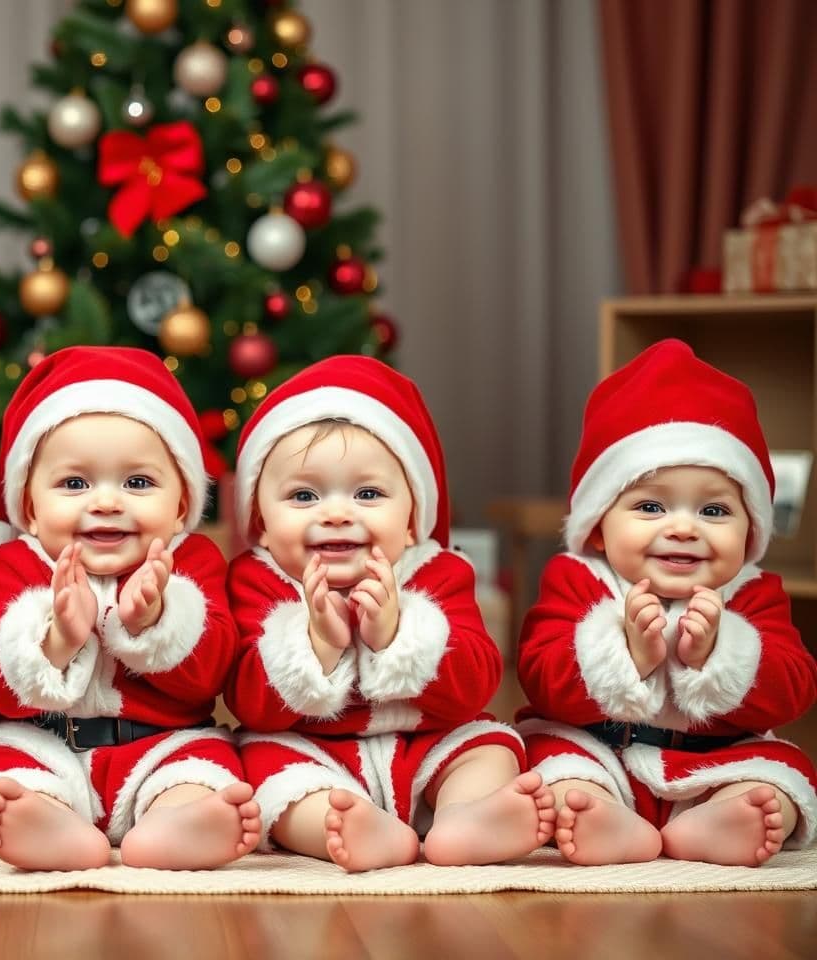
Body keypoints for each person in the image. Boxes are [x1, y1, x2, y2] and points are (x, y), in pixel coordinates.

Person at [227, 355, 555, 871]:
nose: (336, 513)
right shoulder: (257, 579)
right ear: (261, 522)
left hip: (427, 745)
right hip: (313, 752)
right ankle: (339, 828)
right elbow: (250, 703)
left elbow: (478, 683)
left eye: (368, 493)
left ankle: (464, 818)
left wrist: (396, 636)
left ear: (411, 521)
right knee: (261, 770)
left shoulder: (440, 571)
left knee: (489, 745)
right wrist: (318, 645)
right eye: (304, 495)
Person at [519, 339, 817, 866]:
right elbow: (540, 674)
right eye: (651, 506)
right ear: (598, 527)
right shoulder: (579, 578)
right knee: (550, 762)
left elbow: (794, 689)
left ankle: (718, 819)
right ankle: (599, 814)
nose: (682, 527)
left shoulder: (752, 593)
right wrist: (625, 658)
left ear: (751, 531)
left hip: (717, 761)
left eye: (715, 511)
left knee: (784, 774)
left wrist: (720, 658)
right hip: (603, 750)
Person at [0, 346, 260, 871]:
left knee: (202, 767)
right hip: (41, 743)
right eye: (74, 483)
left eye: (138, 483)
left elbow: (214, 672)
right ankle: (46, 821)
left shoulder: (191, 561)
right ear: (29, 508)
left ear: (182, 506)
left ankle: (176, 821)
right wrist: (55, 642)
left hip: (159, 743)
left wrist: (155, 623)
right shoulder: (15, 562)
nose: (106, 501)